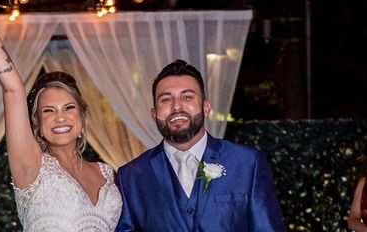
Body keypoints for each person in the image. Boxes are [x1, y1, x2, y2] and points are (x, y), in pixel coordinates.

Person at [0, 0, 122, 231]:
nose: (60, 117)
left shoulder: (107, 173)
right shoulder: (31, 166)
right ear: (37, 125)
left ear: (82, 118)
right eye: (49, 111)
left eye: (68, 108)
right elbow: (12, 89)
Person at [115, 59, 285, 231]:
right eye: (166, 99)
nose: (176, 107)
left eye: (187, 97)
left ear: (205, 107)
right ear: (154, 113)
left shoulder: (247, 164)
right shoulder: (130, 176)